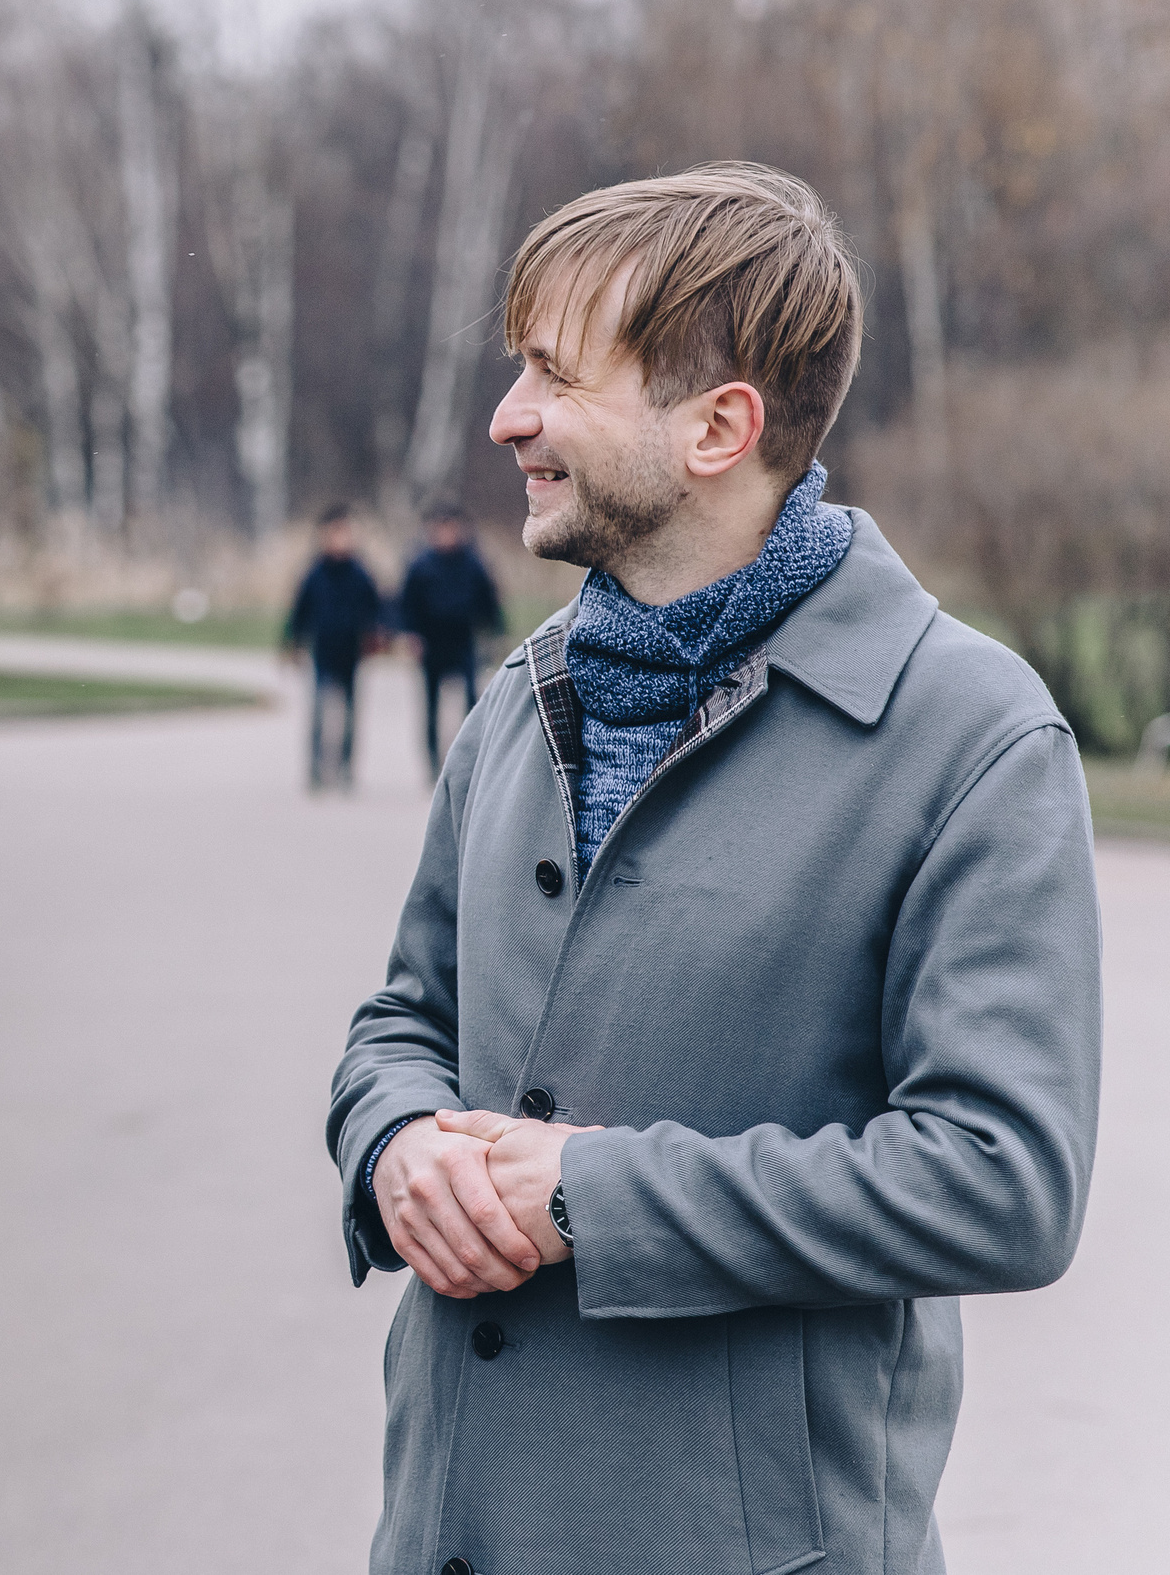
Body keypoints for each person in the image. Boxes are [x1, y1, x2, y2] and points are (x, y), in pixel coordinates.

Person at [327, 162, 1102, 1575]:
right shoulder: (521, 691)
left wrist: (594, 1194)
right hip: (445, 1532)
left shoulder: (972, 735)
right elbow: (403, 1020)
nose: (509, 416)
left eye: (555, 375)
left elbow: (1005, 1178)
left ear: (718, 426)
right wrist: (391, 1141)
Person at [397, 504, 504, 768]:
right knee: (431, 703)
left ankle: (469, 756)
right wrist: (410, 635)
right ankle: (433, 759)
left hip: (463, 639)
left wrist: (495, 632)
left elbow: (488, 600)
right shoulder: (420, 565)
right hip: (432, 641)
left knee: (471, 699)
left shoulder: (473, 563)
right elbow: (407, 603)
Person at [282, 505, 381, 787]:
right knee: (318, 712)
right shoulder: (314, 574)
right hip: (322, 650)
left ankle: (346, 767)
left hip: (351, 651)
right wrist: (291, 643)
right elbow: (299, 612)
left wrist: (378, 634)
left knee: (350, 714)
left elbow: (376, 608)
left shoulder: (360, 573)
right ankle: (315, 767)